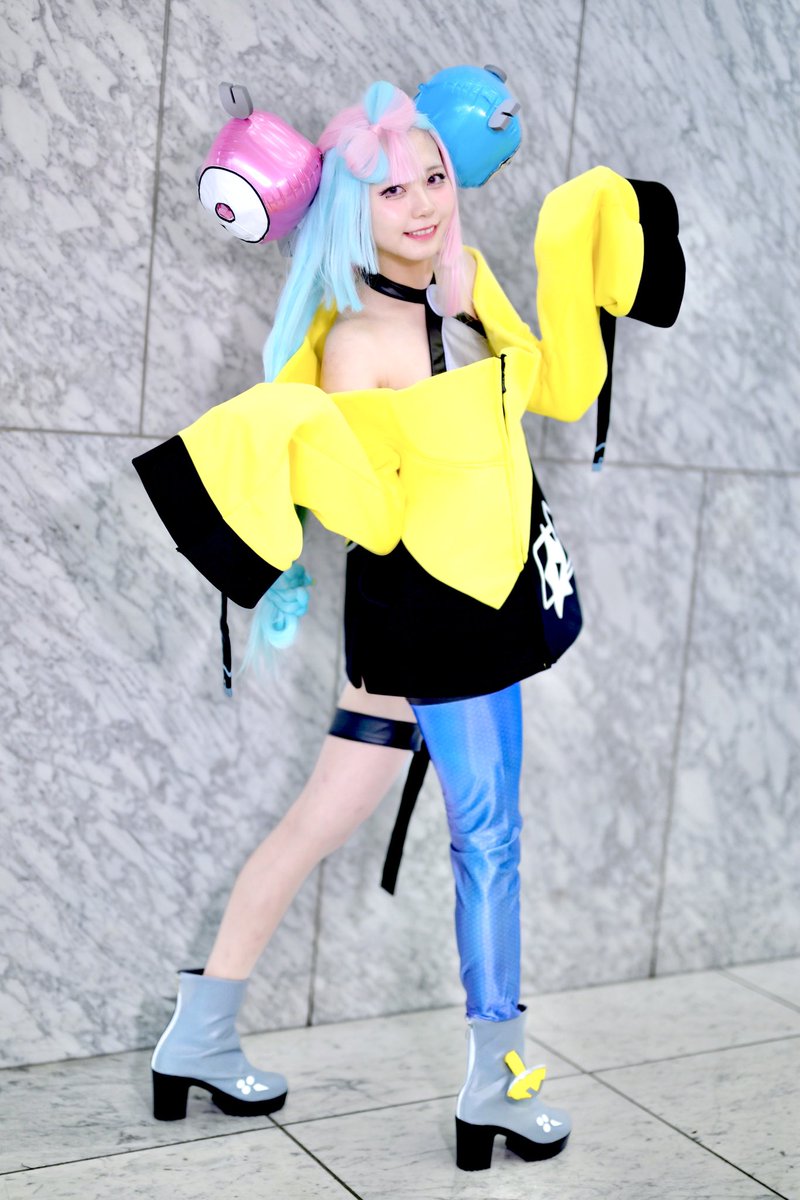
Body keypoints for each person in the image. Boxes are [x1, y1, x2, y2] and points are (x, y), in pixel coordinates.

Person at [136, 78, 682, 1172]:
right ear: (355, 210)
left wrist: (492, 301)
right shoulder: (358, 342)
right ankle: (497, 1083)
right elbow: (372, 515)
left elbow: (545, 392)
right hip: (440, 613)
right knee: (490, 840)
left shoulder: (462, 288)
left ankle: (196, 1035)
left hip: (440, 610)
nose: (423, 203)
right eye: (393, 191)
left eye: (433, 178)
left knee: (319, 818)